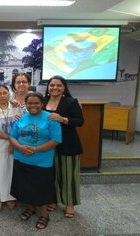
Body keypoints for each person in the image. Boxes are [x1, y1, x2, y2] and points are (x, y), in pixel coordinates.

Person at [9, 92, 61, 230]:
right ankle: (31, 209)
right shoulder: (21, 118)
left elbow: (55, 140)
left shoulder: (51, 118)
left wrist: (35, 149)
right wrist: (19, 147)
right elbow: (12, 136)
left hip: (42, 161)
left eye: (36, 103)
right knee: (26, 186)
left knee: (42, 189)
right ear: (25, 105)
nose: (33, 106)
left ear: (42, 103)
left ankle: (44, 215)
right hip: (21, 159)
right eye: (30, 103)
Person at [43, 75, 84, 218]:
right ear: (48, 87)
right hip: (47, 145)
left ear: (64, 87)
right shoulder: (43, 101)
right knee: (51, 175)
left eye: (58, 85)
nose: (55, 88)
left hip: (68, 144)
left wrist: (63, 119)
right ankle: (52, 201)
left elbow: (79, 121)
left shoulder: (71, 102)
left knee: (68, 176)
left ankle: (70, 204)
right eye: (52, 85)